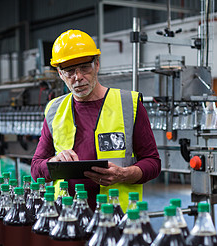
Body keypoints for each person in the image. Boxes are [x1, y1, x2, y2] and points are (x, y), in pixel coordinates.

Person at [31, 29, 161, 210]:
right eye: (69, 71)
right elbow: (36, 168)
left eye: (85, 67)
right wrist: (54, 163)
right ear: (60, 74)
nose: (78, 77)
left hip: (116, 216)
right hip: (66, 217)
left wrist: (123, 174)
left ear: (97, 65)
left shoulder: (128, 104)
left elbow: (153, 162)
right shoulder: (54, 110)